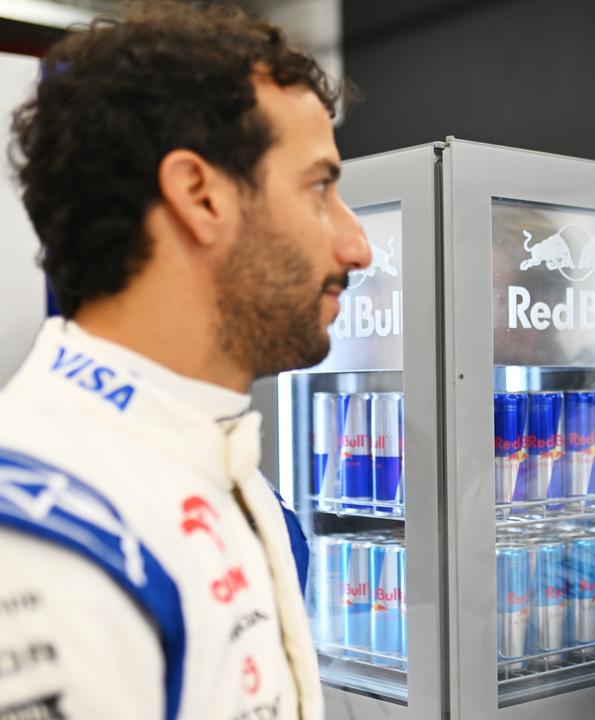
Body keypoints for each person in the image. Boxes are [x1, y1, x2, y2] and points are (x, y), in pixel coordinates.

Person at [0, 4, 369, 720]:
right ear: (199, 196)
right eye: (319, 188)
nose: (357, 246)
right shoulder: (42, 539)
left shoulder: (238, 481)